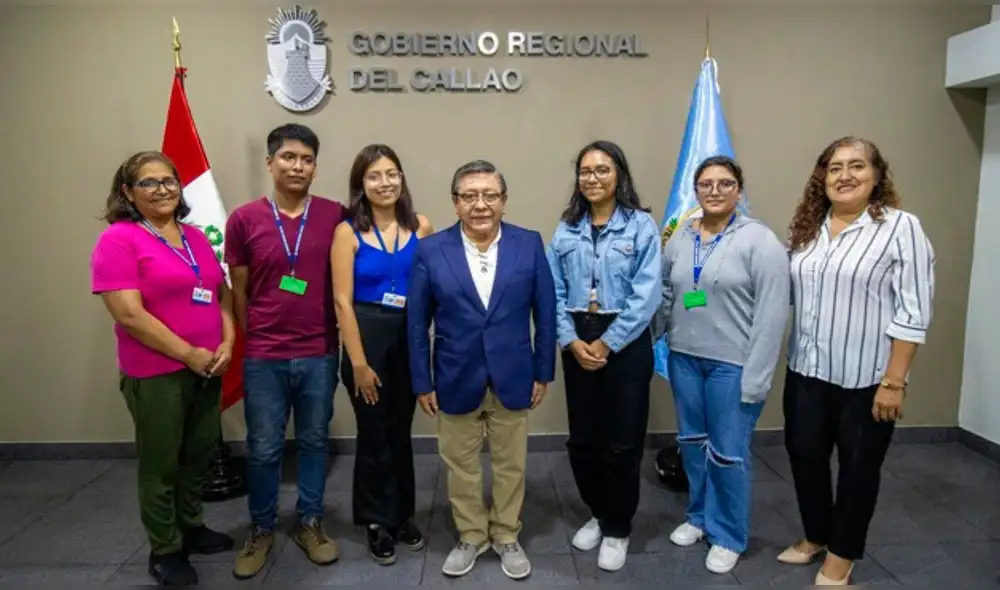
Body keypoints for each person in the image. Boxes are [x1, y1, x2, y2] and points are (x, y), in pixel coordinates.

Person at [779, 137, 935, 586]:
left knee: (857, 469)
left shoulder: (900, 227)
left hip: (868, 378)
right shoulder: (807, 229)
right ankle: (815, 536)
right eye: (834, 168)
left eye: (857, 166)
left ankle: (842, 556)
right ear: (821, 178)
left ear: (877, 175)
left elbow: (914, 309)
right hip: (806, 370)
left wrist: (895, 380)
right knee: (804, 456)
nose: (844, 176)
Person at [407, 159, 557, 580]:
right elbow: (417, 323)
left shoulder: (529, 244)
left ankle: (507, 533)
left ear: (504, 201)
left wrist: (542, 371)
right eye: (469, 196)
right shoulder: (431, 249)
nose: (480, 204)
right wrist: (422, 381)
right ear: (455, 203)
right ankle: (471, 535)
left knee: (512, 463)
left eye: (489, 195)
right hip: (455, 375)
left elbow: (545, 314)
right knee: (460, 464)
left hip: (514, 373)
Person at [91, 151, 235, 586]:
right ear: (127, 192)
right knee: (161, 463)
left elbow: (221, 294)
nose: (163, 189)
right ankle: (165, 548)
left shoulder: (193, 236)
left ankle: (191, 526)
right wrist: (188, 352)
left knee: (198, 454)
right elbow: (129, 314)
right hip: (158, 373)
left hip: (209, 367)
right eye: (149, 183)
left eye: (169, 181)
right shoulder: (119, 239)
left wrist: (228, 342)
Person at [652, 156, 790, 574]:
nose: (714, 190)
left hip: (733, 365)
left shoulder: (760, 241)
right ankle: (697, 517)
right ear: (695, 191)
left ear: (739, 190)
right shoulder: (679, 238)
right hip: (685, 360)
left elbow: (771, 316)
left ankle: (728, 534)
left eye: (724, 183)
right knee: (692, 445)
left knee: (728, 454)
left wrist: (757, 380)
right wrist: (637, 343)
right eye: (706, 184)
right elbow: (665, 296)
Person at [226, 124, 347, 579]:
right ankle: (260, 528)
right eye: (289, 157)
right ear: (271, 162)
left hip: (318, 350)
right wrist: (252, 338)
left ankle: (310, 522)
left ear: (316, 165)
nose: (298, 166)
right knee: (262, 448)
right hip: (264, 355)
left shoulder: (336, 214)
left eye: (307, 159)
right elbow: (238, 291)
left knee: (315, 441)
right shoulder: (244, 219)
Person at [545, 140, 661, 572]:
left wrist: (609, 342)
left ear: (619, 175)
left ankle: (617, 527)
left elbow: (647, 295)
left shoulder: (640, 226)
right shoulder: (567, 227)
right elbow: (553, 290)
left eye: (602, 170)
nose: (592, 178)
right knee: (584, 439)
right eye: (585, 171)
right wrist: (570, 340)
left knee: (623, 441)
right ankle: (598, 510)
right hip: (577, 336)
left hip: (626, 340)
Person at [330, 144, 434, 564]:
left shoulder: (422, 227)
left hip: (408, 337)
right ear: (361, 184)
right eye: (374, 175)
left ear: (402, 178)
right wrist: (358, 364)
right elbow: (341, 301)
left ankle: (402, 514)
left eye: (392, 173)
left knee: (400, 433)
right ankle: (376, 520)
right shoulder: (346, 232)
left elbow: (428, 291)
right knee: (373, 434)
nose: (385, 182)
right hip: (365, 338)